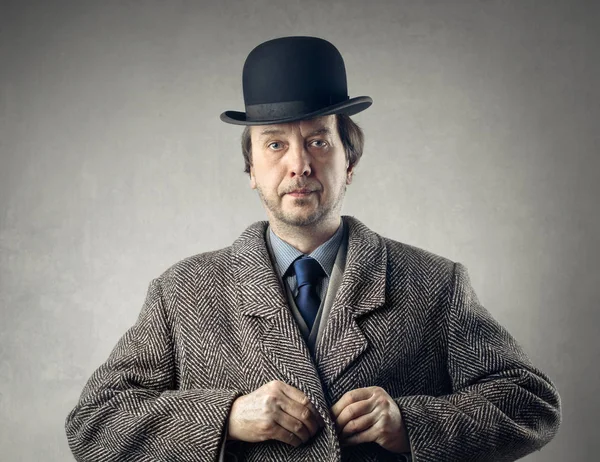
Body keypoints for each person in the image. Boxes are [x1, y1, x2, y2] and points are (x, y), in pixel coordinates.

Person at [65, 36, 562, 462]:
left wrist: (410, 422)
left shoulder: (435, 283)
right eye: (275, 144)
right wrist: (226, 417)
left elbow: (533, 404)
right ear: (251, 170)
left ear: (350, 162)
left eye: (319, 141)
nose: (299, 164)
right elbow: (93, 423)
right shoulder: (183, 292)